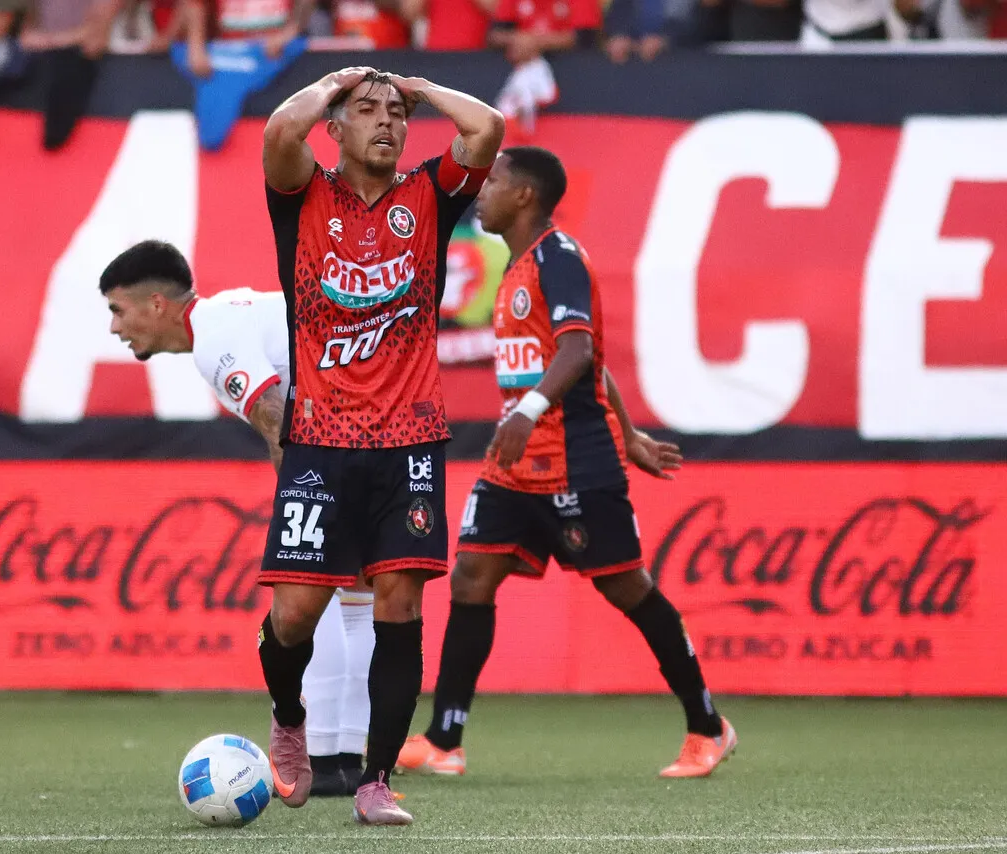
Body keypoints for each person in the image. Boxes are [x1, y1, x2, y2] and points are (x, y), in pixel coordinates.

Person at [395, 146, 738, 780]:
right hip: (515, 462)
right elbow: (588, 361)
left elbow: (579, 350)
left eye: (494, 181)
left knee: (625, 587)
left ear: (524, 195)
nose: (481, 192)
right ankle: (444, 740)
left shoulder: (559, 258)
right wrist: (630, 432)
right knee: (472, 575)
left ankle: (708, 725)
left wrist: (532, 412)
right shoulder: (518, 264)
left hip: (574, 459)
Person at [258, 67, 504, 825]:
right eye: (366, 111)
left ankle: (376, 779)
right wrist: (334, 83)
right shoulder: (305, 194)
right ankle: (289, 717)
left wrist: (419, 86)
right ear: (335, 128)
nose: (386, 121)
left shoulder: (429, 195)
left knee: (400, 602)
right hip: (320, 439)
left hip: (410, 438)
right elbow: (280, 131)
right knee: (294, 616)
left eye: (396, 112)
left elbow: (487, 129)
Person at [97, 239, 376, 799]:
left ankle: (325, 756)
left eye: (118, 310)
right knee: (357, 593)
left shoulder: (214, 341)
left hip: (344, 433)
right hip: (373, 416)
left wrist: (302, 499)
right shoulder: (230, 313)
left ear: (156, 304)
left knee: (310, 584)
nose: (114, 327)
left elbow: (275, 419)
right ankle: (346, 758)